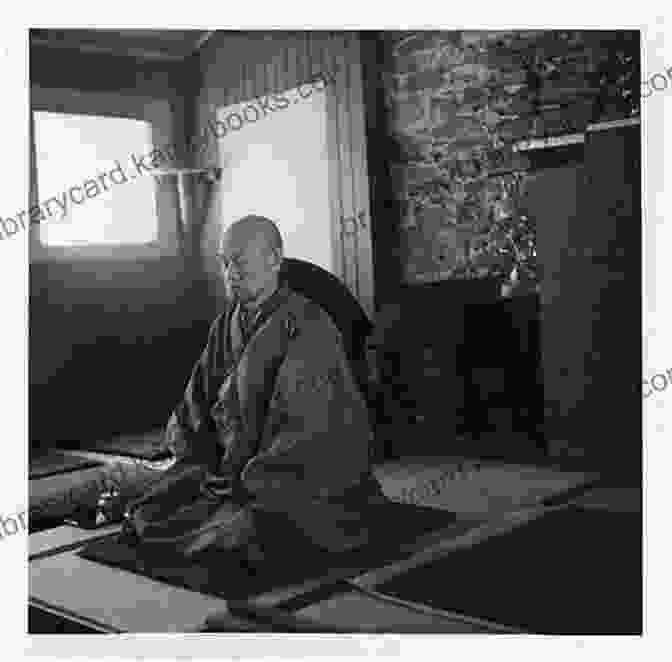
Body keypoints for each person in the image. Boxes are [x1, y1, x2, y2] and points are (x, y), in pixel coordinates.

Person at [122, 215, 386, 562]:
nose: (231, 273)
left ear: (275, 259)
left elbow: (308, 425)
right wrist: (197, 461)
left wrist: (253, 479)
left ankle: (238, 519)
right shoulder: (225, 324)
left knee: (242, 527)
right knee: (147, 511)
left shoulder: (307, 324)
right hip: (226, 473)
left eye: (240, 262)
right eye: (225, 263)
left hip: (291, 476)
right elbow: (196, 403)